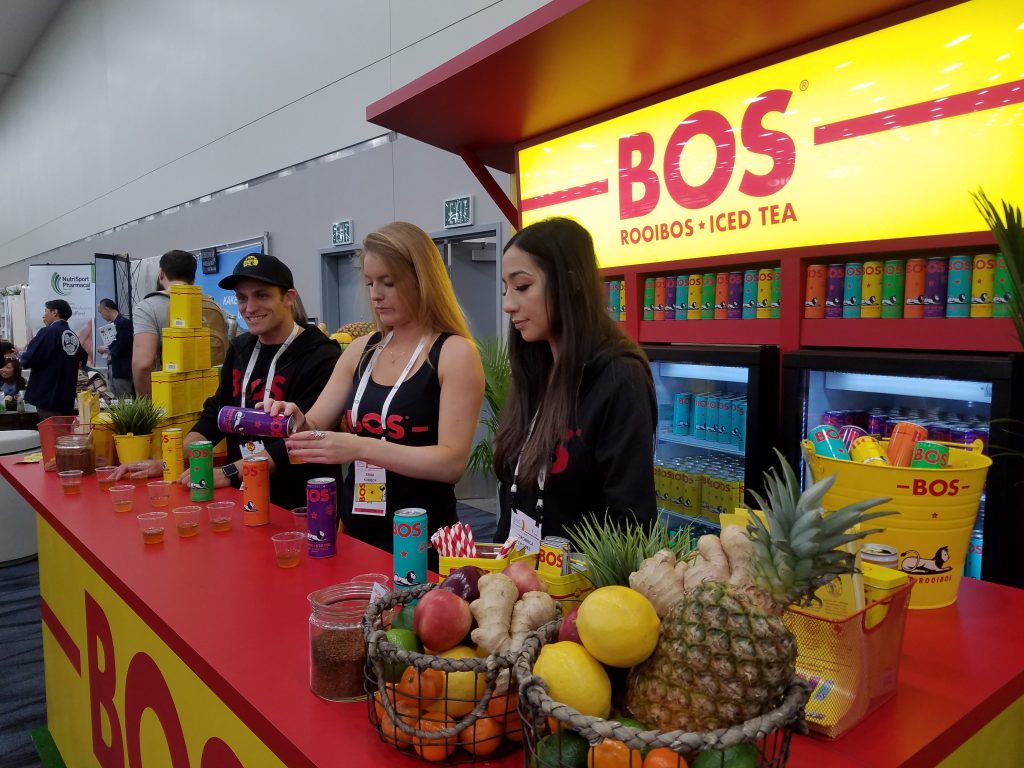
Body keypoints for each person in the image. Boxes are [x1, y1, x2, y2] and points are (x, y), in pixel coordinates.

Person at [270, 222, 484, 568]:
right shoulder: (361, 351)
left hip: (421, 536)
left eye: (388, 282)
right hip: (356, 528)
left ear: (422, 280)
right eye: (370, 283)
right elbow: (312, 426)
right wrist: (293, 417)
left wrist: (360, 446)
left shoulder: (454, 353)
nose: (375, 294)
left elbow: (450, 463)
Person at [493, 217, 657, 545]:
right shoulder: (535, 371)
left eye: (522, 286)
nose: (509, 304)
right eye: (505, 289)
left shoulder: (619, 378)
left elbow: (631, 523)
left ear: (570, 284)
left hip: (580, 590)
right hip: (515, 583)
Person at [131, 249, 228, 397]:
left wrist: (148, 404)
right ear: (193, 278)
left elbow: (143, 364)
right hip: (209, 397)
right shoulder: (215, 306)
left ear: (161, 273)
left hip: (170, 401)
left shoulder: (147, 307)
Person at [20, 300, 83, 420]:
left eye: (45, 311)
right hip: (66, 395)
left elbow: (30, 358)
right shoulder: (73, 336)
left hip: (48, 394)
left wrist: (21, 355)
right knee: (63, 434)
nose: (43, 315)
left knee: (53, 434)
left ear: (54, 312)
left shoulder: (49, 331)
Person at [96, 298, 134, 397]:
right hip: (113, 367)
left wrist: (106, 349)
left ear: (106, 309)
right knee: (115, 400)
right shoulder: (114, 324)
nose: (101, 316)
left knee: (124, 401)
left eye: (100, 312)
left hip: (122, 369)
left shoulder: (124, 323)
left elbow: (122, 344)